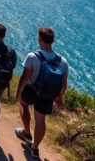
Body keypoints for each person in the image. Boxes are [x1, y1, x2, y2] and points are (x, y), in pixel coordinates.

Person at [15, 27, 69, 159]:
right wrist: (60, 97)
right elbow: (64, 82)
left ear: (40, 40)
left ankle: (27, 133)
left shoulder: (33, 56)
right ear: (52, 41)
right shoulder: (62, 61)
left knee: (23, 104)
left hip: (31, 90)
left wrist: (19, 90)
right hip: (48, 94)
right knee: (41, 121)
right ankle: (34, 149)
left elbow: (25, 76)